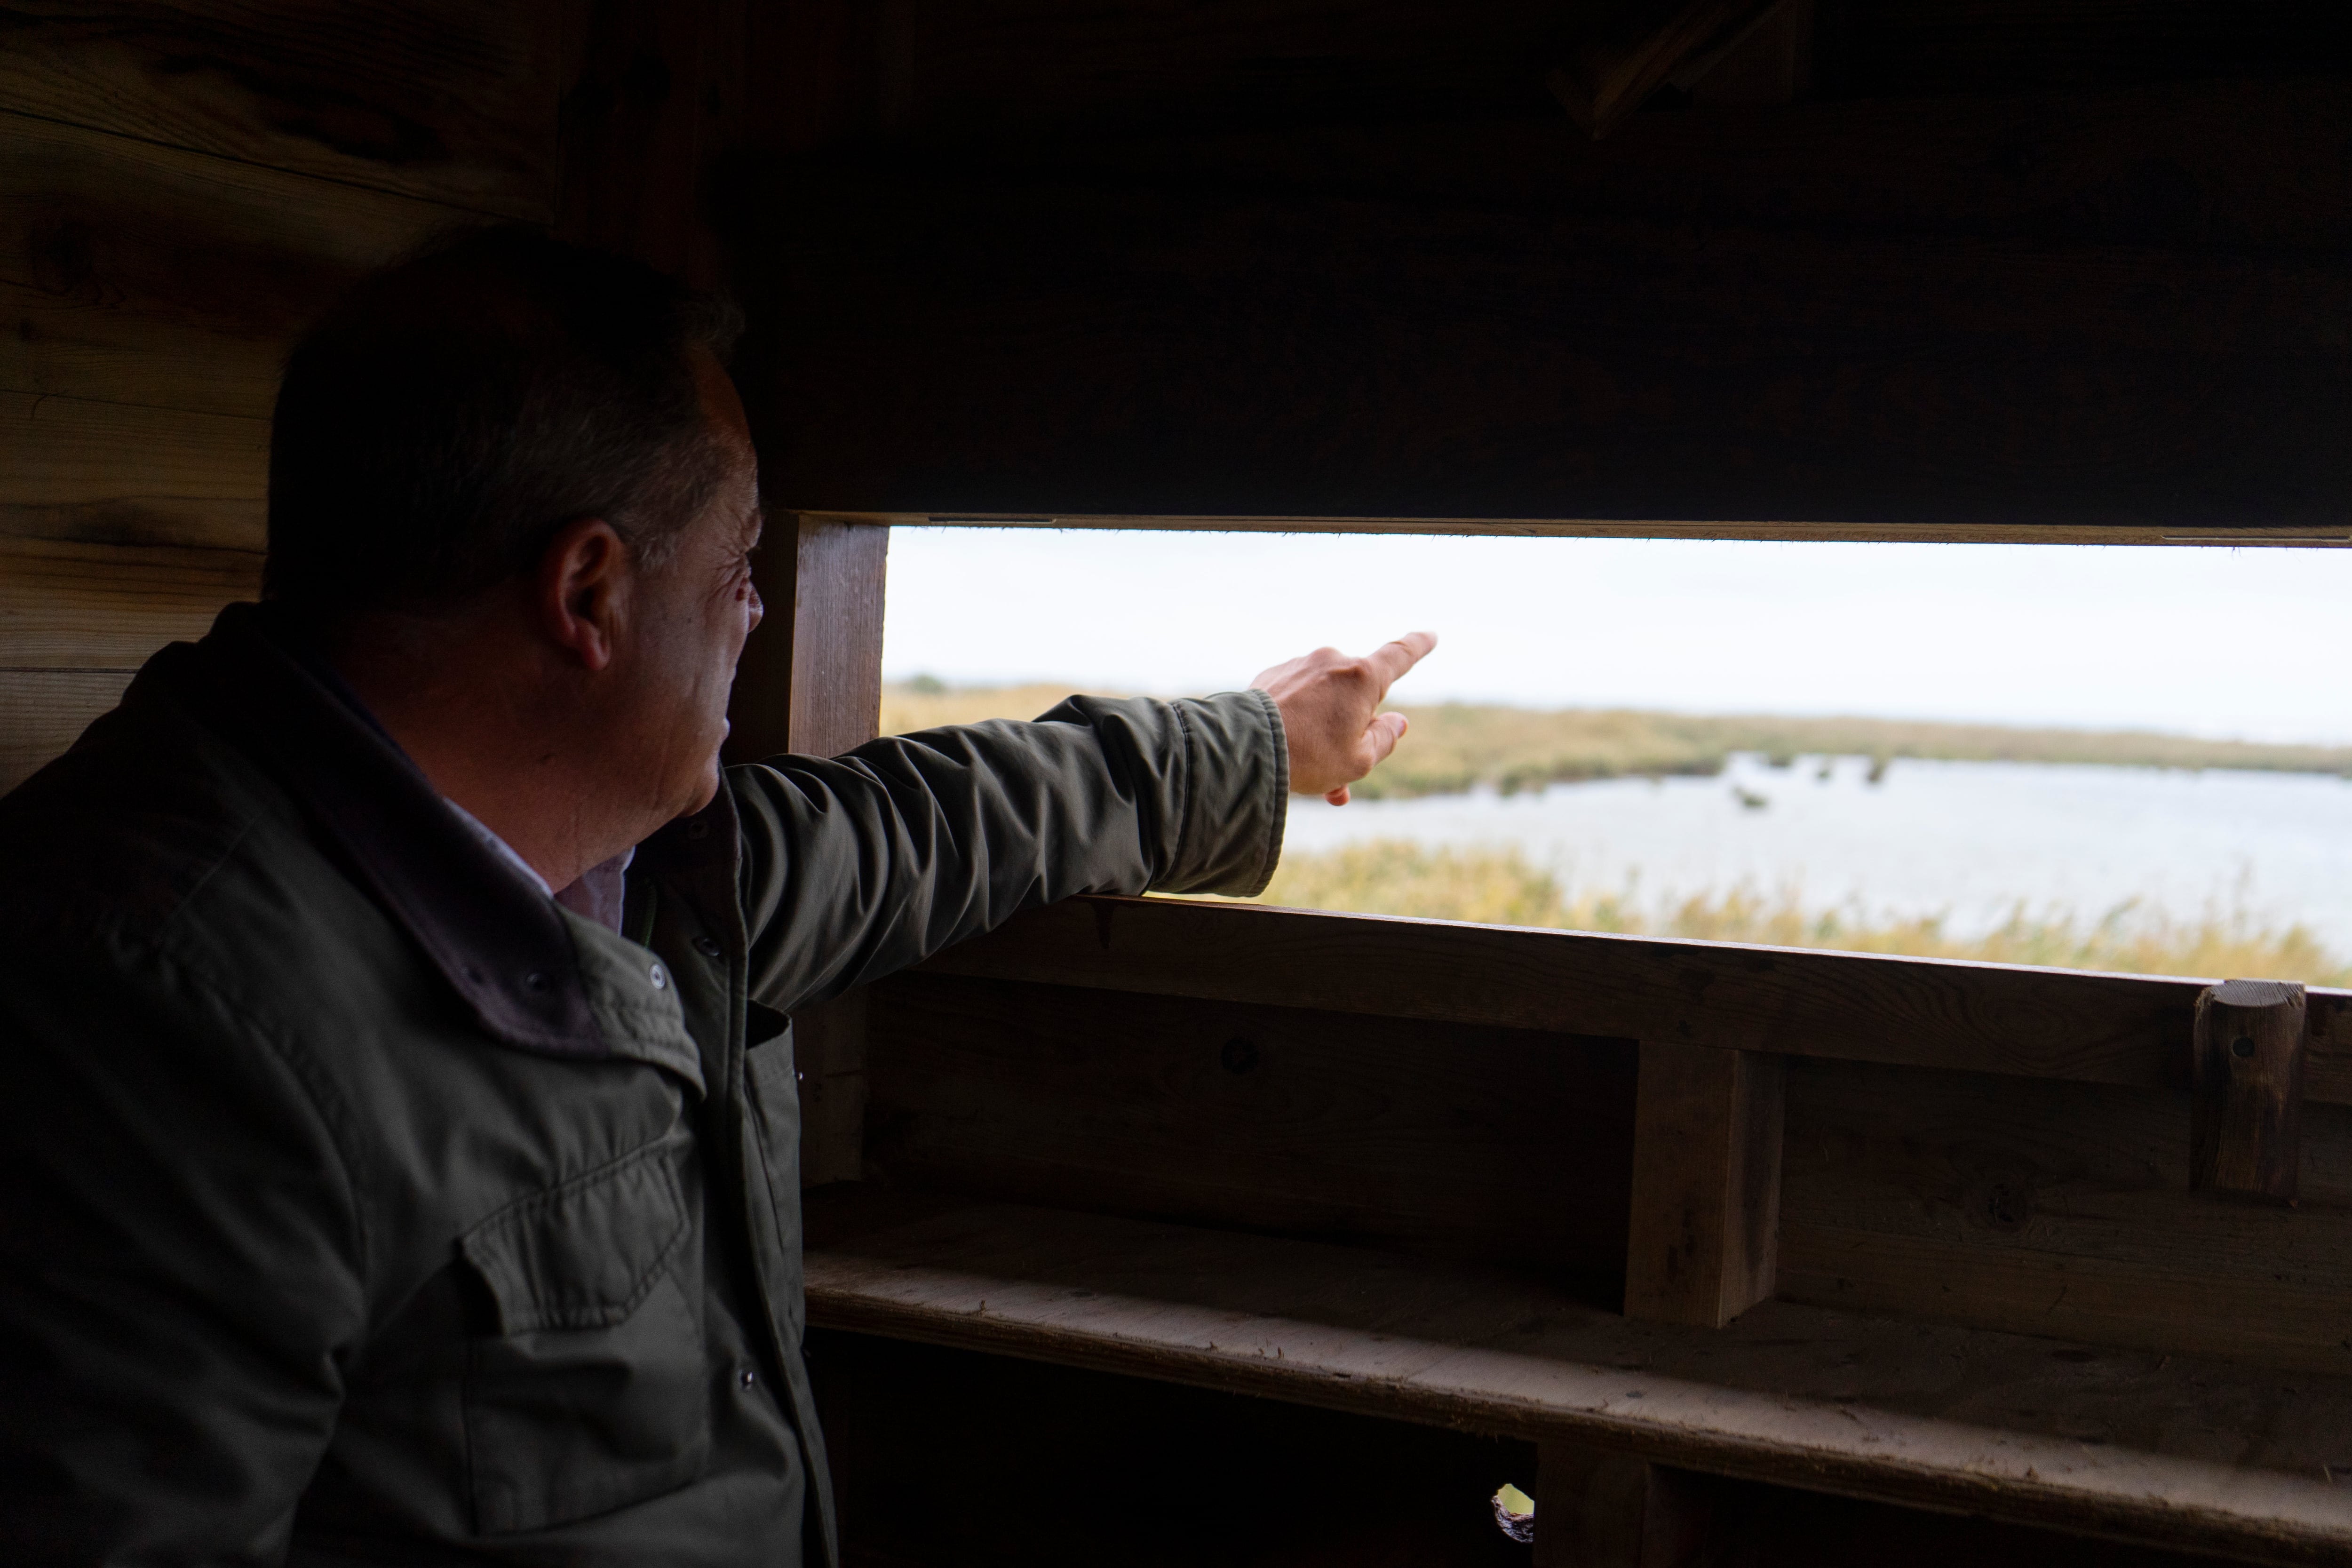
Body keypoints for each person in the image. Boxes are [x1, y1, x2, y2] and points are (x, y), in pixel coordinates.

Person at [0, 228, 1434, 1565]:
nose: (751, 615)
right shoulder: (153, 1023)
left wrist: (1251, 741)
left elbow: (929, 828)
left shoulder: (642, 874)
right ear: (589, 594)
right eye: (740, 568)